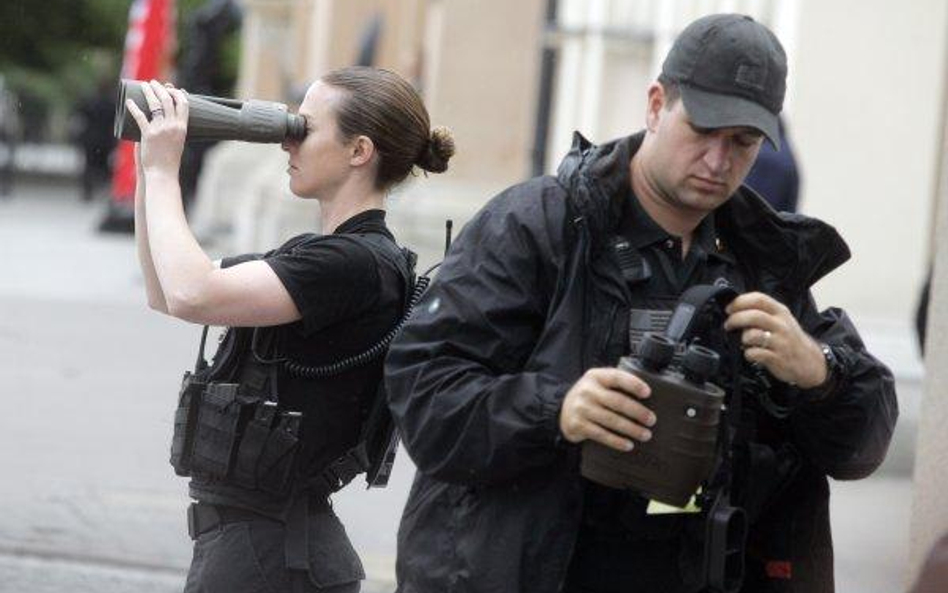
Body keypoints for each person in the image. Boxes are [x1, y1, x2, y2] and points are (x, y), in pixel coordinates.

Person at [385, 14, 897, 593]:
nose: (717, 161)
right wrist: (556, 411)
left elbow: (862, 447)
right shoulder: (539, 226)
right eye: (703, 130)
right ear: (656, 105)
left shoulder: (764, 261)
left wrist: (820, 373)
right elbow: (424, 394)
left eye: (743, 143)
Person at [125, 67, 454, 592]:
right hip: (259, 548)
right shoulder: (326, 255)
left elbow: (194, 292)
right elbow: (166, 292)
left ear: (358, 151)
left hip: (272, 556)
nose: (287, 143)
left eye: (305, 128)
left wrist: (168, 173)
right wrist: (150, 168)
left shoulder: (354, 263)